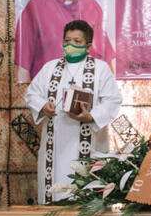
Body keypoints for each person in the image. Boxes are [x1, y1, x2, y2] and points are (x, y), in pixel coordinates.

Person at [25, 20, 122, 204]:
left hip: (88, 143)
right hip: (55, 145)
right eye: (67, 40)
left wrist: (91, 116)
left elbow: (113, 100)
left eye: (77, 42)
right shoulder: (50, 68)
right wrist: (44, 106)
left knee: (84, 197)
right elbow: (32, 94)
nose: (70, 45)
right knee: (54, 195)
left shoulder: (100, 69)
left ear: (88, 46)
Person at [15, 0, 115, 83]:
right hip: (51, 96)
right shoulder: (33, 9)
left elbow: (106, 61)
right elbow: (22, 69)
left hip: (90, 93)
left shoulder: (92, 5)